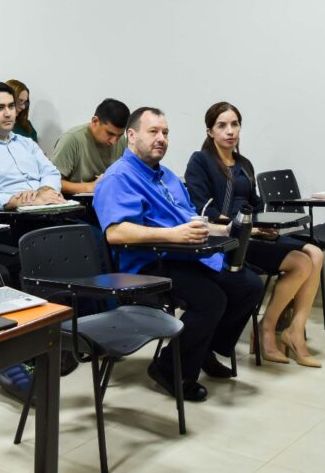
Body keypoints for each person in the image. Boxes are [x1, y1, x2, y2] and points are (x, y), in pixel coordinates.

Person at [94, 107, 263, 403]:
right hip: (147, 263)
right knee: (212, 299)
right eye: (153, 132)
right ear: (131, 136)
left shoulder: (166, 177)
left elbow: (189, 219)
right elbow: (116, 232)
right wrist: (172, 235)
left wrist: (224, 230)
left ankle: (205, 348)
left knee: (248, 285)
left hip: (182, 253)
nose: (161, 138)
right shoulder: (118, 177)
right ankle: (168, 369)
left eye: (165, 132)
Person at [185, 101, 324, 367]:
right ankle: (266, 330)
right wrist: (246, 225)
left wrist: (268, 225)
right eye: (222, 125)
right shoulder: (201, 161)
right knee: (300, 262)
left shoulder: (244, 164)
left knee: (316, 253)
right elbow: (203, 207)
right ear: (209, 131)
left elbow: (256, 203)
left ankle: (295, 330)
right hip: (229, 237)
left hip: (255, 232)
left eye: (235, 124)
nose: (230, 131)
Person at [0, 81, 63, 212]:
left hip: (50, 211)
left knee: (88, 230)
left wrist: (43, 190)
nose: (8, 113)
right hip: (14, 219)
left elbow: (52, 172)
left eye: (11, 106)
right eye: (0, 108)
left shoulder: (27, 143)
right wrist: (26, 201)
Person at [51, 98, 129, 195]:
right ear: (95, 121)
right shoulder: (72, 139)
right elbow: (51, 181)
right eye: (110, 134)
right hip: (77, 204)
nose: (114, 141)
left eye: (119, 135)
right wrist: (90, 187)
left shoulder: (122, 141)